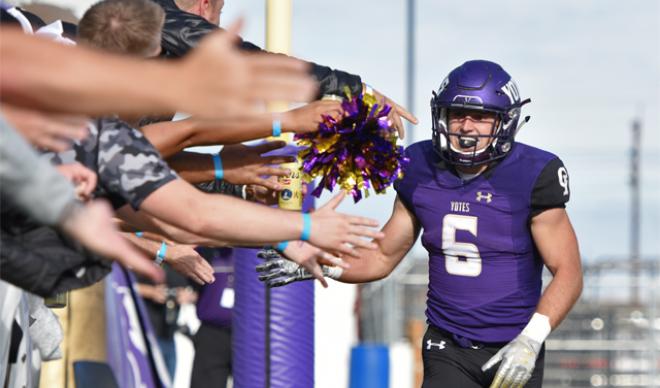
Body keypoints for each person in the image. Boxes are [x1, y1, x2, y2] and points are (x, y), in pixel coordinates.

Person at [258, 60, 584, 388]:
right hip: (447, 347)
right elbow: (382, 256)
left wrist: (532, 339)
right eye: (457, 114)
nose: (466, 126)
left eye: (481, 117)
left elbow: (568, 272)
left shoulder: (533, 174)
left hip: (515, 344)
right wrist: (318, 261)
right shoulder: (420, 167)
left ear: (505, 120)